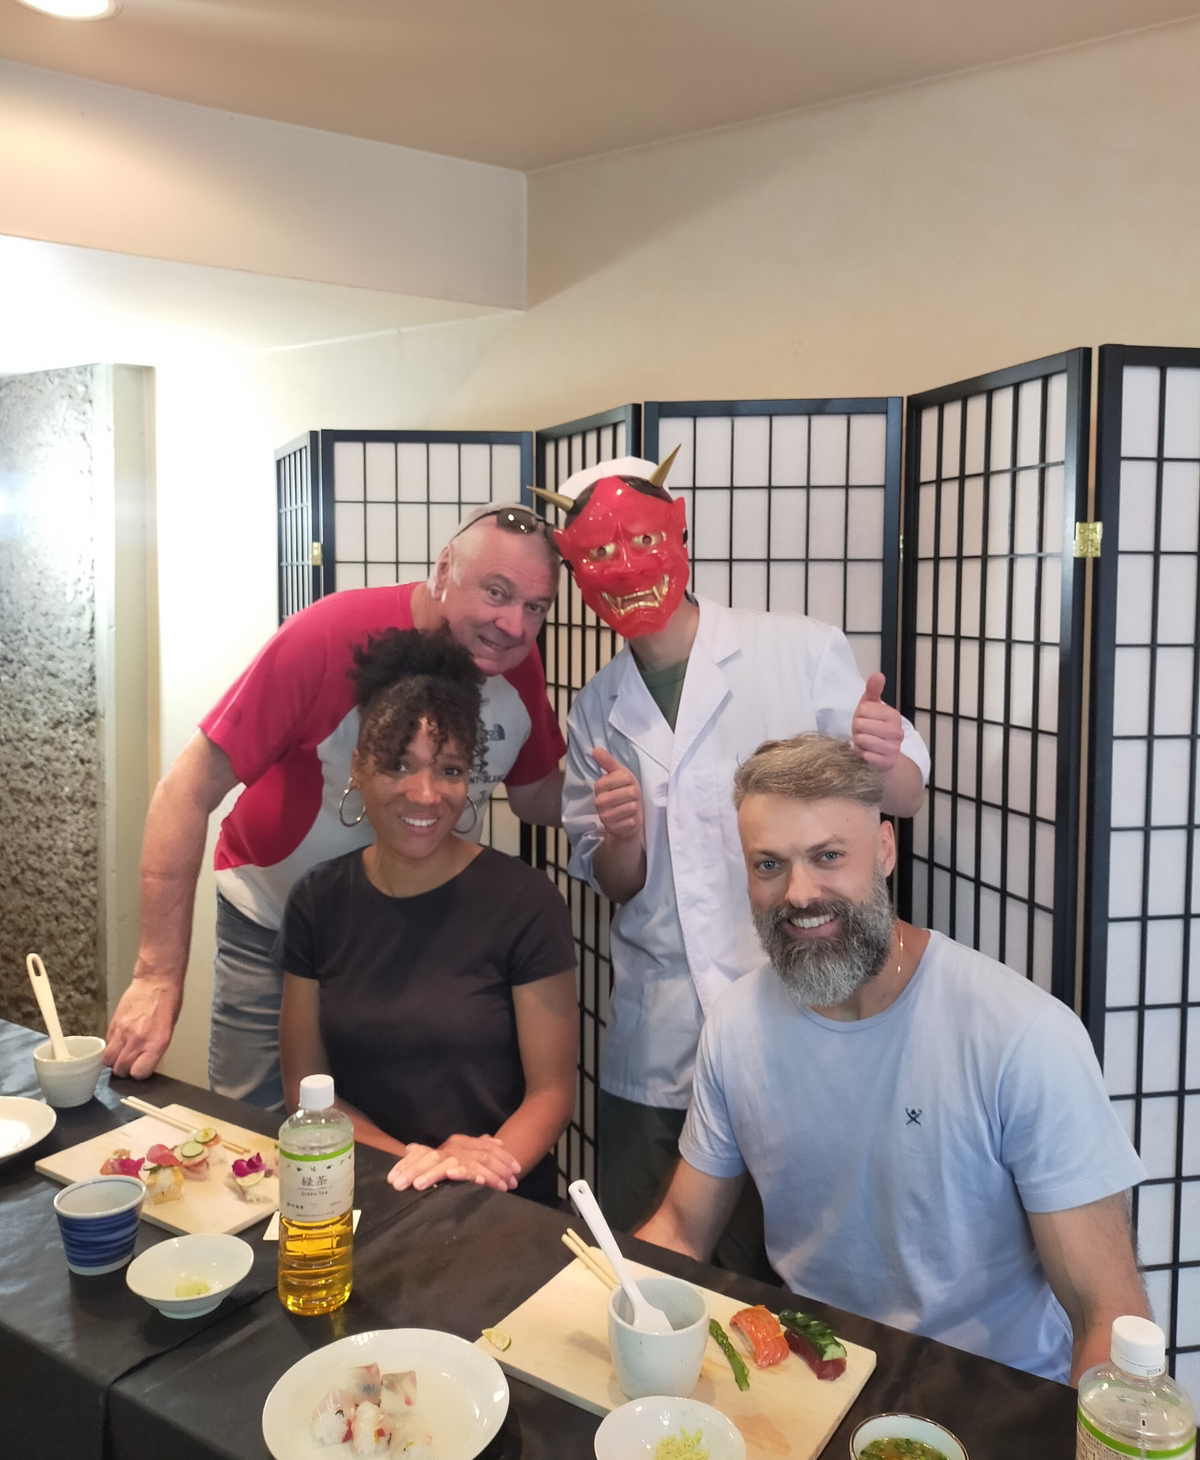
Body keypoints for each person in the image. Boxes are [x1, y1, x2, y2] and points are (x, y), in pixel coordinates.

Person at [637, 732, 1148, 1384]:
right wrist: (596, 1300)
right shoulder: (737, 1026)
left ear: (884, 849)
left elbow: (1107, 1312)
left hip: (993, 1394)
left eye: (828, 856)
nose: (799, 893)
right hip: (815, 1375)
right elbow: (682, 1230)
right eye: (769, 865)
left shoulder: (1022, 1037)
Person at [536, 455, 930, 1255]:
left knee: (793, 1272)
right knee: (651, 1266)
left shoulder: (798, 649)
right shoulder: (597, 706)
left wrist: (884, 754)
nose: (626, 568)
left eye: (642, 541)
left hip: (801, 1011)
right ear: (575, 571)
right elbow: (617, 883)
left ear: (678, 531)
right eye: (598, 554)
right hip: (661, 1038)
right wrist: (623, 836)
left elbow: (905, 796)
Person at [104, 504, 566, 1108]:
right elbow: (186, 790)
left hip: (413, 931)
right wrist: (156, 976)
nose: (513, 625)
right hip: (272, 921)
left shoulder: (512, 663)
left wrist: (626, 803)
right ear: (444, 569)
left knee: (388, 1123)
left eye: (536, 607)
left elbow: (536, 795)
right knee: (260, 1121)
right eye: (497, 593)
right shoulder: (328, 635)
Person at [278, 628, 578, 1204]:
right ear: (359, 768)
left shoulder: (525, 902)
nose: (424, 794)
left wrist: (469, 1171)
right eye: (398, 765)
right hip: (366, 1188)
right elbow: (306, 1091)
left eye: (450, 771)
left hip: (498, 1198)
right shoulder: (317, 902)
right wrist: (421, 1165)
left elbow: (552, 1093)